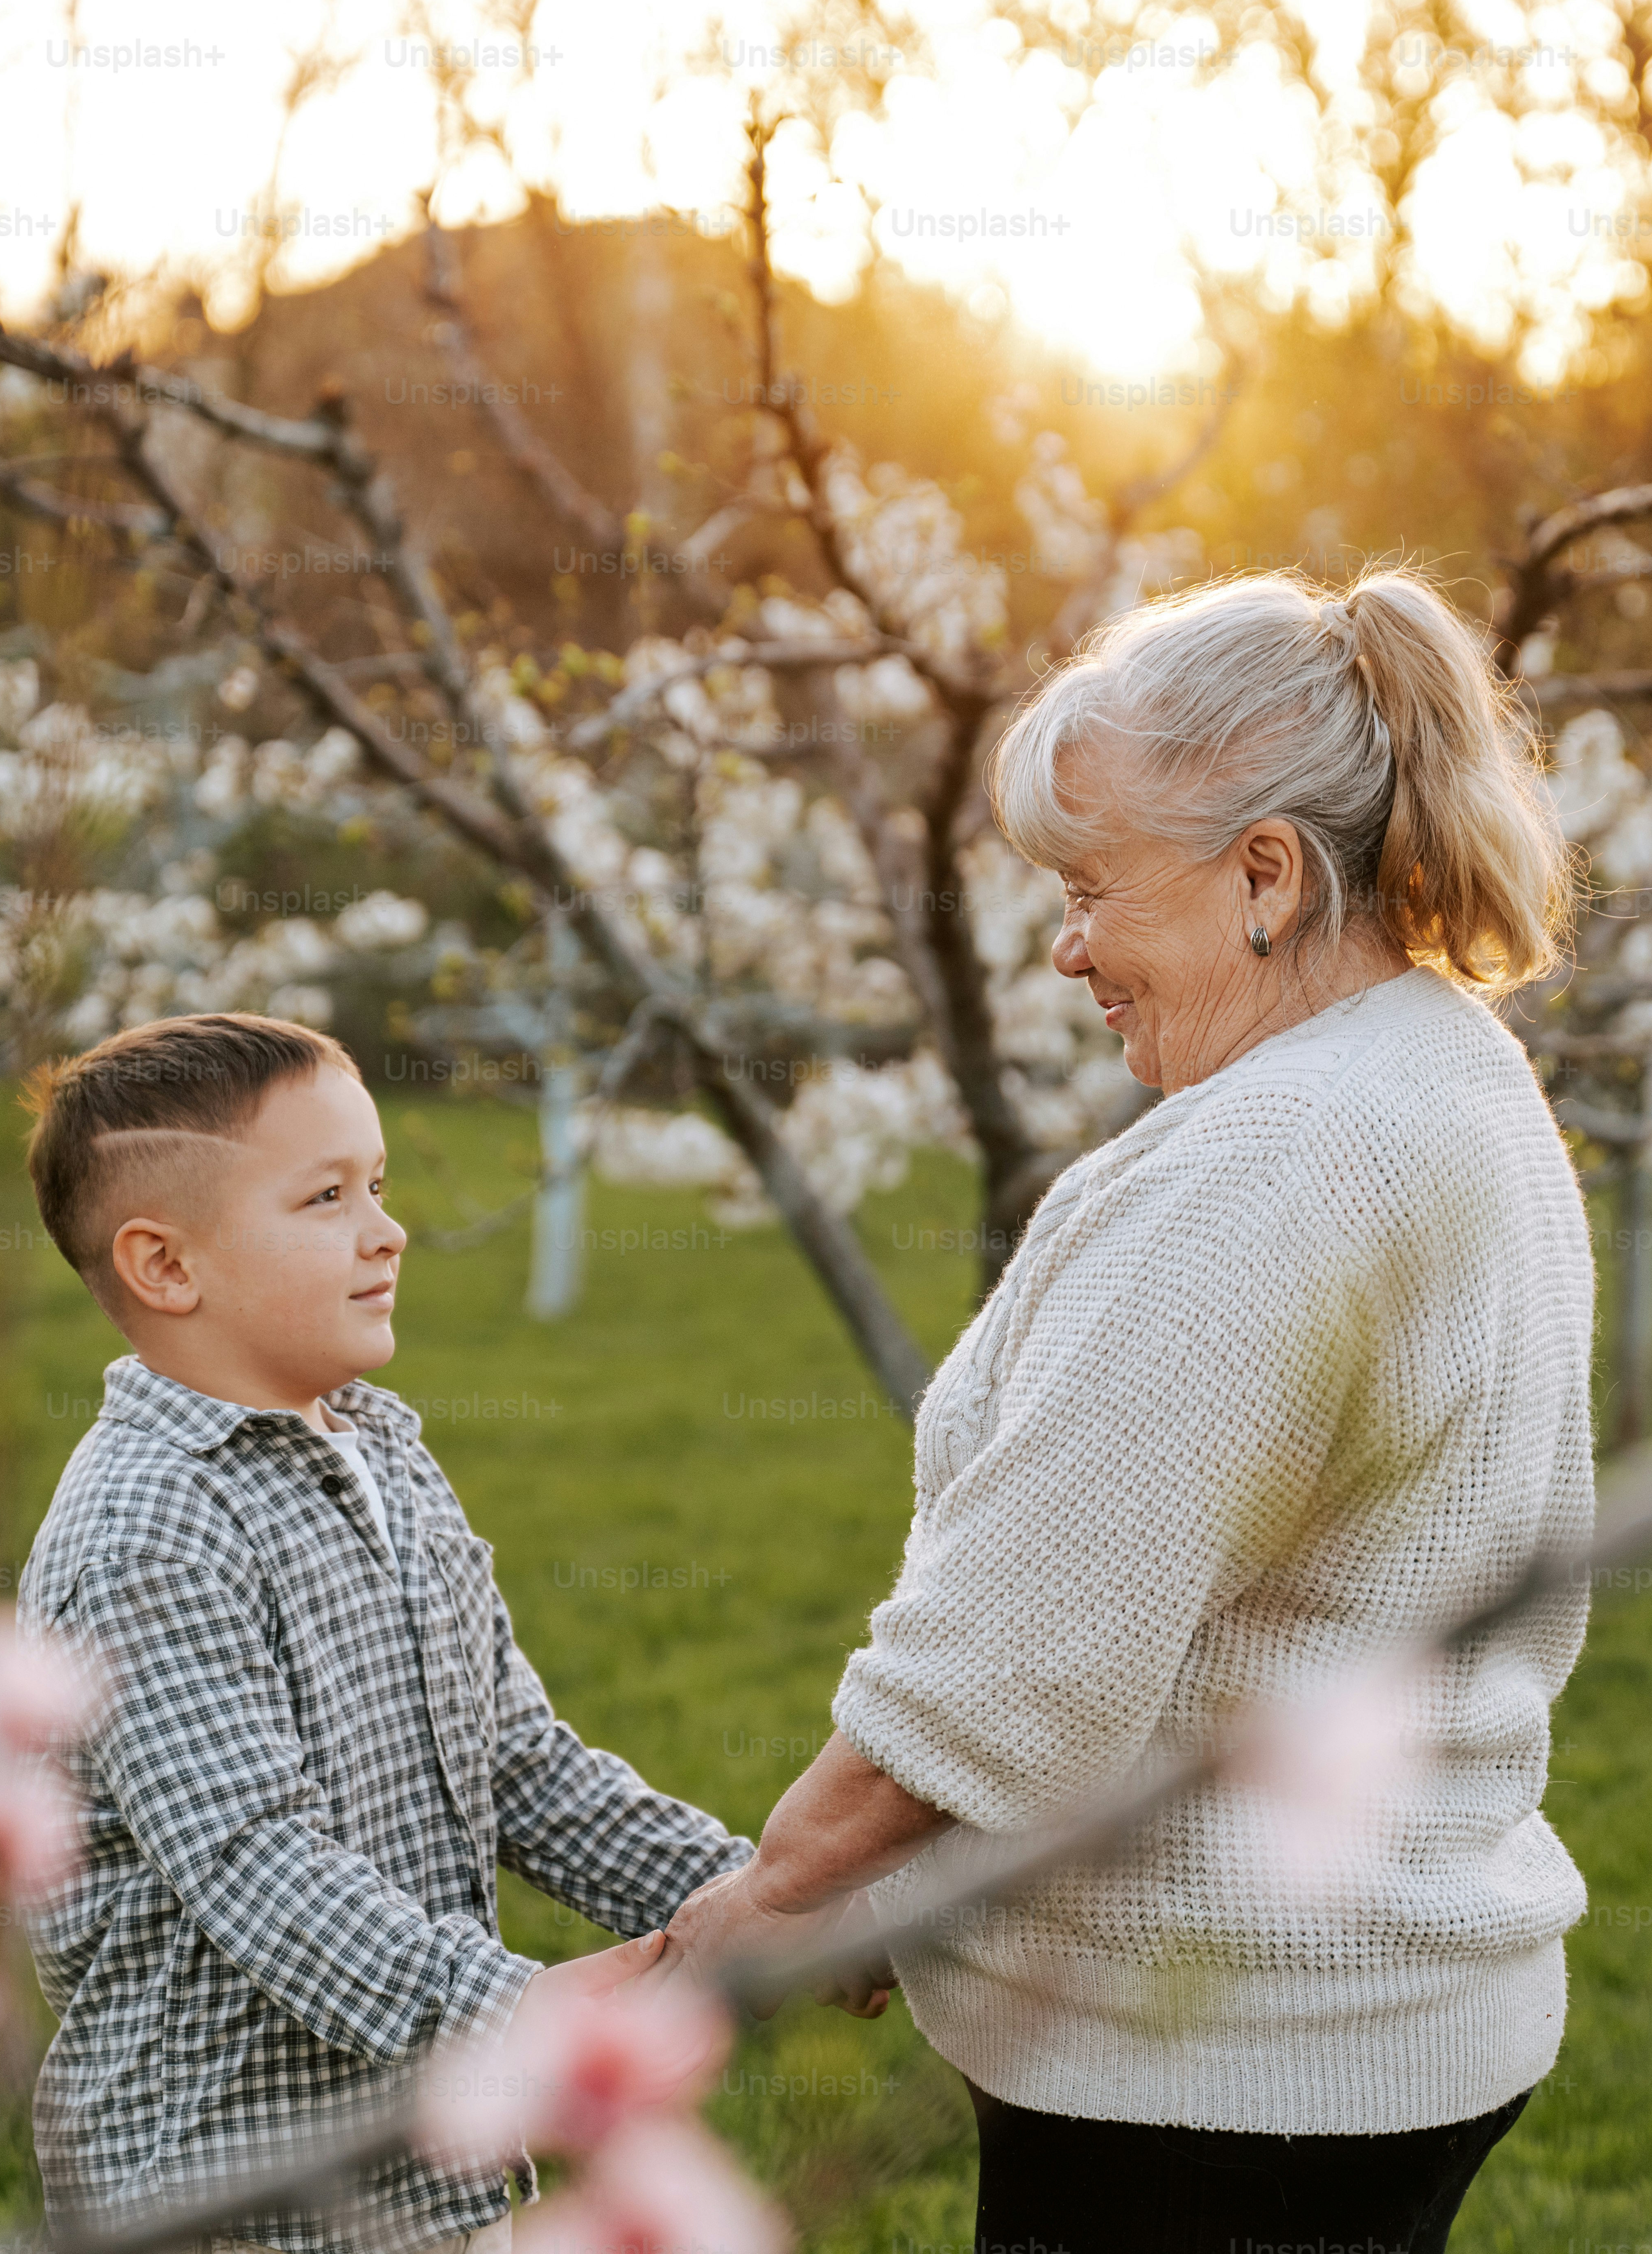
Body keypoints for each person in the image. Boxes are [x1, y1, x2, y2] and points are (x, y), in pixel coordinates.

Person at [668, 568, 1596, 2254]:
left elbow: (1017, 1650)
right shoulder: (1444, 1065)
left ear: (1264, 874)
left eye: (1093, 888)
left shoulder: (1272, 1161)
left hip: (1221, 2070)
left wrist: (784, 1891)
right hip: (1391, 2010)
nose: (1065, 942)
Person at [13, 1012, 744, 2254]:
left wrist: (746, 1895)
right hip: (230, 2192)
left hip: (427, 2179)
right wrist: (506, 2012)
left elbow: (515, 1762)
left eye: (382, 1186)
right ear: (166, 1267)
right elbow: (253, 1860)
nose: (388, 1229)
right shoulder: (145, 1530)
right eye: (326, 1197)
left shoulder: (384, 1454)